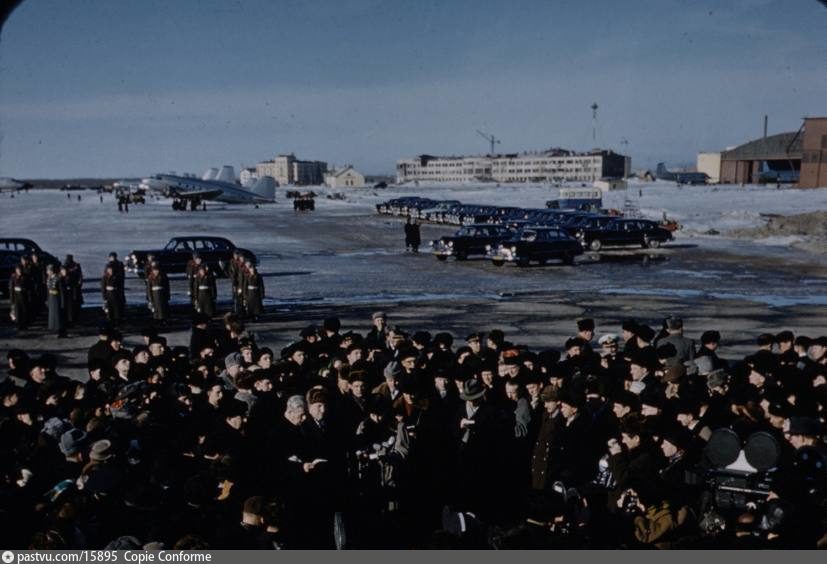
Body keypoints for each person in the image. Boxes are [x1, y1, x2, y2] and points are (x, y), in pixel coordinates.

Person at [45, 264, 67, 338]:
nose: (47, 272)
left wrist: (63, 302)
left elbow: (62, 292)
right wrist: (47, 300)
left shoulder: (58, 279)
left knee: (59, 317)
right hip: (51, 299)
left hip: (57, 300)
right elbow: (48, 291)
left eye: (48, 270)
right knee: (54, 317)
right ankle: (57, 330)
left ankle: (62, 332)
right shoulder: (49, 279)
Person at [8, 264, 31, 330]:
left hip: (24, 296)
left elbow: (29, 287)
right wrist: (12, 299)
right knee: (17, 312)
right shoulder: (13, 277)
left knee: (24, 311)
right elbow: (11, 289)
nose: (19, 271)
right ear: (16, 270)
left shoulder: (25, 277)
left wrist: (23, 289)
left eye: (20, 269)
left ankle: (25, 325)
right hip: (16, 297)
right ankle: (18, 325)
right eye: (18, 270)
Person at [62, 255, 83, 326]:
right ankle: (71, 319)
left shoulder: (75, 266)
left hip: (74, 288)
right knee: (71, 304)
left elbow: (80, 277)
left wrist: (79, 284)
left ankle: (73, 318)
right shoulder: (66, 266)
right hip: (70, 288)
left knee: (74, 303)